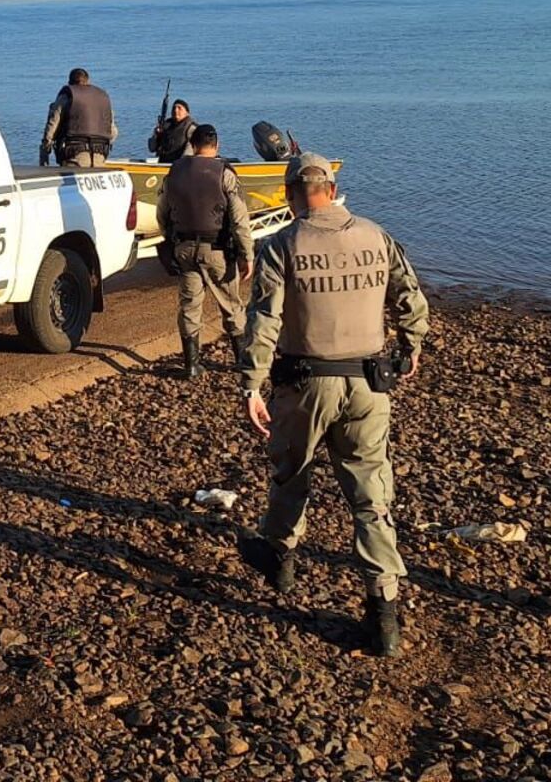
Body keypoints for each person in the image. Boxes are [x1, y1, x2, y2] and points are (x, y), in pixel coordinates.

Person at [237, 152, 429, 656]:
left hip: (305, 382)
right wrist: (411, 344)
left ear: (290, 195)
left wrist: (252, 384)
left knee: (291, 470)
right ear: (331, 188)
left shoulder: (282, 244)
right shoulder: (376, 236)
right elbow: (409, 295)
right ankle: (383, 609)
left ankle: (280, 555)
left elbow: (264, 319)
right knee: (370, 491)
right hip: (368, 383)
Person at [157, 123, 252, 379]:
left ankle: (192, 365)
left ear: (193, 145)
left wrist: (170, 240)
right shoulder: (224, 174)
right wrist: (247, 254)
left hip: (185, 250)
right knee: (231, 305)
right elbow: (239, 219)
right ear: (217, 145)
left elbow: (162, 212)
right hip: (217, 250)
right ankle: (242, 363)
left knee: (189, 306)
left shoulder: (174, 172)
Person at [39, 68, 117, 167]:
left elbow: (52, 126)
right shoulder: (103, 98)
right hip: (100, 153)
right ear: (88, 81)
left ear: (70, 82)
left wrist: (45, 152)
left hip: (74, 154)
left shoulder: (67, 97)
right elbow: (113, 132)